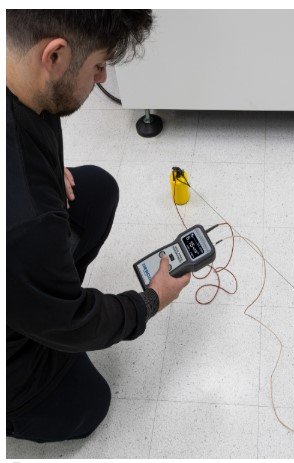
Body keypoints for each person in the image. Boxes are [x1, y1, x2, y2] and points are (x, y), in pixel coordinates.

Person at [6, 10, 191, 443]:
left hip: (19, 263)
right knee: (87, 404)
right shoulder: (27, 223)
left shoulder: (21, 79)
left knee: (94, 192)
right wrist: (149, 301)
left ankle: (41, 305)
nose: (103, 77)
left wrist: (48, 168)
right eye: (98, 66)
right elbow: (74, 321)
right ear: (55, 56)